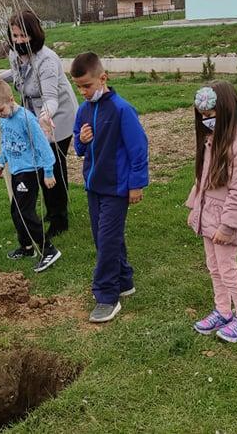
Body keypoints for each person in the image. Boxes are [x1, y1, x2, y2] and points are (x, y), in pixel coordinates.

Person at [70, 52, 149, 323]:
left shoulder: (121, 110)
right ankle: (125, 281)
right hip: (94, 187)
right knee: (103, 237)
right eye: (78, 86)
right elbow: (79, 149)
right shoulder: (83, 110)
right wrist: (81, 139)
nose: (82, 91)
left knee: (107, 240)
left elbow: (138, 148)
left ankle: (107, 297)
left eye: (87, 86)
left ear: (103, 78)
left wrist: (136, 184)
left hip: (116, 188)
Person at [186, 82, 237, 343]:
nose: (207, 121)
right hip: (209, 217)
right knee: (214, 267)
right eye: (203, 117)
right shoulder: (213, 141)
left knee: (228, 269)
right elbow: (203, 181)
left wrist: (227, 226)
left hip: (226, 222)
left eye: (211, 115)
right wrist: (194, 209)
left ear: (228, 110)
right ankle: (223, 311)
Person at [0, 10, 78, 237]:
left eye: (24, 36)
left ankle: (59, 219)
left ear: (35, 34)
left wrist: (45, 117)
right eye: (15, 36)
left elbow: (51, 98)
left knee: (52, 164)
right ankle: (51, 211)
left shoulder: (47, 60)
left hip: (56, 116)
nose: (19, 41)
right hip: (33, 115)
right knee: (39, 165)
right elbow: (16, 74)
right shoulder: (15, 54)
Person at [0, 79, 63, 272]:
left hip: (30, 171)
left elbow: (43, 145)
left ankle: (49, 250)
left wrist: (48, 171)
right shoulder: (4, 119)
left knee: (26, 212)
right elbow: (7, 143)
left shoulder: (26, 119)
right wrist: (0, 162)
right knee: (16, 211)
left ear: (11, 100)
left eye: (1, 110)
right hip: (17, 171)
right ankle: (27, 247)